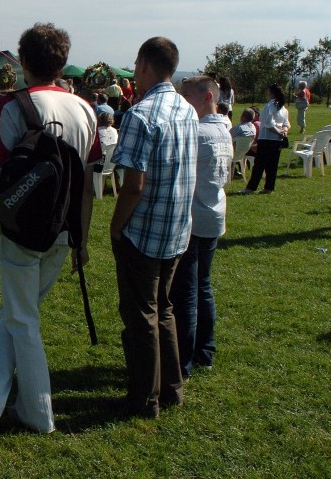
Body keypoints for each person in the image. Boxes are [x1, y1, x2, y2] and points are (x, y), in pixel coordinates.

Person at [0, 23, 96, 440]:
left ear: (22, 62)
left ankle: (38, 413)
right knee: (17, 313)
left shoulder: (10, 108)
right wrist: (83, 239)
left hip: (21, 231)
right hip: (65, 230)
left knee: (22, 319)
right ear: (61, 63)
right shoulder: (85, 110)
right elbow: (88, 184)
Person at [109, 37, 198, 419]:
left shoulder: (141, 114)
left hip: (144, 231)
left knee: (142, 315)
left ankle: (145, 399)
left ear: (145, 65)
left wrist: (115, 226)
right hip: (177, 228)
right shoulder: (187, 109)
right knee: (163, 308)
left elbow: (134, 184)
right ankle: (172, 389)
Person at [170, 76, 233, 380]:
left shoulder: (198, 131)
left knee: (186, 291)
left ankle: (183, 359)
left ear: (207, 97)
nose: (182, 102)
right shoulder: (224, 129)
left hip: (195, 216)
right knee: (202, 286)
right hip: (214, 212)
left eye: (187, 96)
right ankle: (204, 351)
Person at [239, 84, 289, 194]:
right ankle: (269, 187)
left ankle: (251, 188)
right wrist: (283, 131)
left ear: (271, 93)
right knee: (272, 165)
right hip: (278, 141)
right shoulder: (283, 108)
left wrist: (278, 132)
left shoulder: (269, 106)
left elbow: (268, 124)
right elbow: (286, 123)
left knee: (259, 164)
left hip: (266, 138)